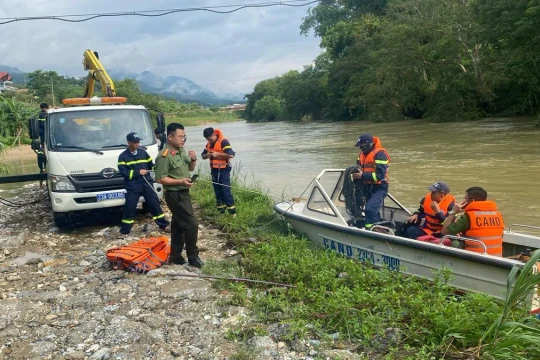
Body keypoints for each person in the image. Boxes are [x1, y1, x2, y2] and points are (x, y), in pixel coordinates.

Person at [155, 123, 203, 268]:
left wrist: (193, 159)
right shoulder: (164, 156)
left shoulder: (181, 151)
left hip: (184, 193)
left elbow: (190, 167)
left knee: (177, 225)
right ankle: (193, 256)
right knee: (191, 224)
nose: (183, 140)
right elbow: (160, 178)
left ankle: (175, 256)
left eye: (184, 137)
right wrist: (180, 181)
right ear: (170, 137)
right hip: (175, 195)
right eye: (180, 137)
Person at [117, 132, 170, 236]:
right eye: (135, 142)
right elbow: (123, 173)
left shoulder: (143, 153)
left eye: (138, 142)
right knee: (130, 207)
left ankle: (163, 225)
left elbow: (151, 166)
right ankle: (124, 231)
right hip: (133, 186)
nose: (138, 144)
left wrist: (160, 166)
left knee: (154, 204)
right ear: (129, 143)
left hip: (146, 183)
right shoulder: (123, 156)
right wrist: (138, 173)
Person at [438, 186, 505, 257]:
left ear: (472, 201)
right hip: (496, 257)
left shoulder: (469, 217)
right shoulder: (498, 214)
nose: (463, 201)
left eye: (465, 198)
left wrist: (454, 212)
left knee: (453, 240)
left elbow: (444, 231)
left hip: (475, 256)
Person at [351, 133, 390, 229]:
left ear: (369, 144)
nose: (361, 148)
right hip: (367, 187)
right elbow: (358, 167)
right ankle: (376, 228)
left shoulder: (380, 154)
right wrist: (355, 174)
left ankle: (371, 231)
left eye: (362, 146)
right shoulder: (361, 155)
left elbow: (380, 175)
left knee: (369, 209)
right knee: (371, 210)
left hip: (380, 187)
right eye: (360, 147)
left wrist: (362, 175)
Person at [201, 127, 236, 215]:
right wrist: (208, 155)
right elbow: (202, 156)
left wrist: (218, 154)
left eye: (210, 139)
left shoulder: (223, 141)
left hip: (224, 170)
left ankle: (233, 214)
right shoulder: (208, 144)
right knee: (217, 191)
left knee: (225, 191)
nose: (209, 141)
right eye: (207, 139)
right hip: (214, 170)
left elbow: (231, 155)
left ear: (214, 135)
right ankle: (221, 213)